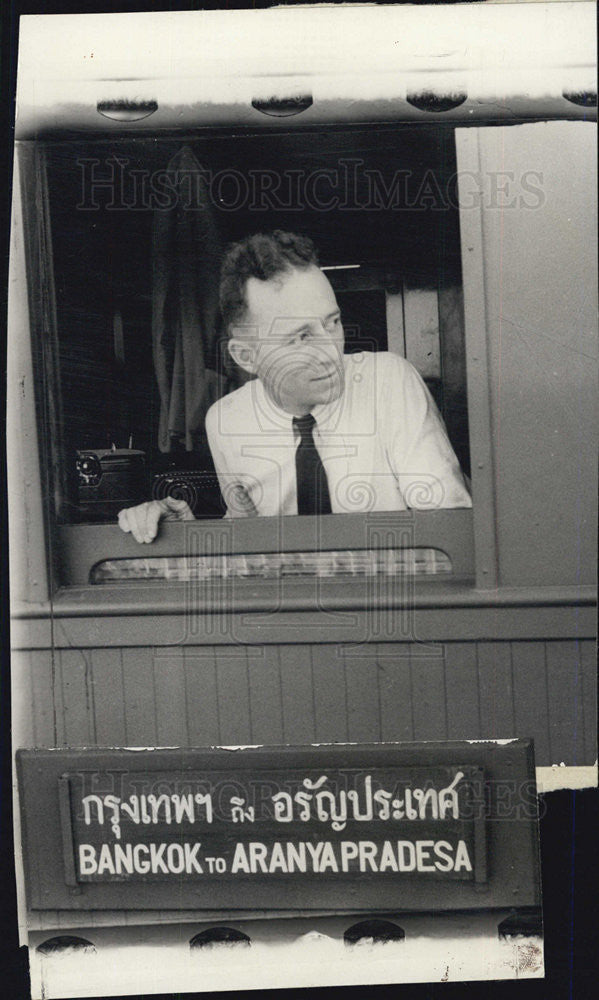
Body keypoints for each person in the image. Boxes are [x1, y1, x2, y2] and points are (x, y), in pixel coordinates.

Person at [118, 230, 471, 542]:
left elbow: (448, 530)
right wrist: (182, 531)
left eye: (332, 323)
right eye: (300, 337)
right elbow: (249, 537)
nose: (329, 352)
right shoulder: (226, 421)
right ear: (246, 356)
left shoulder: (390, 383)